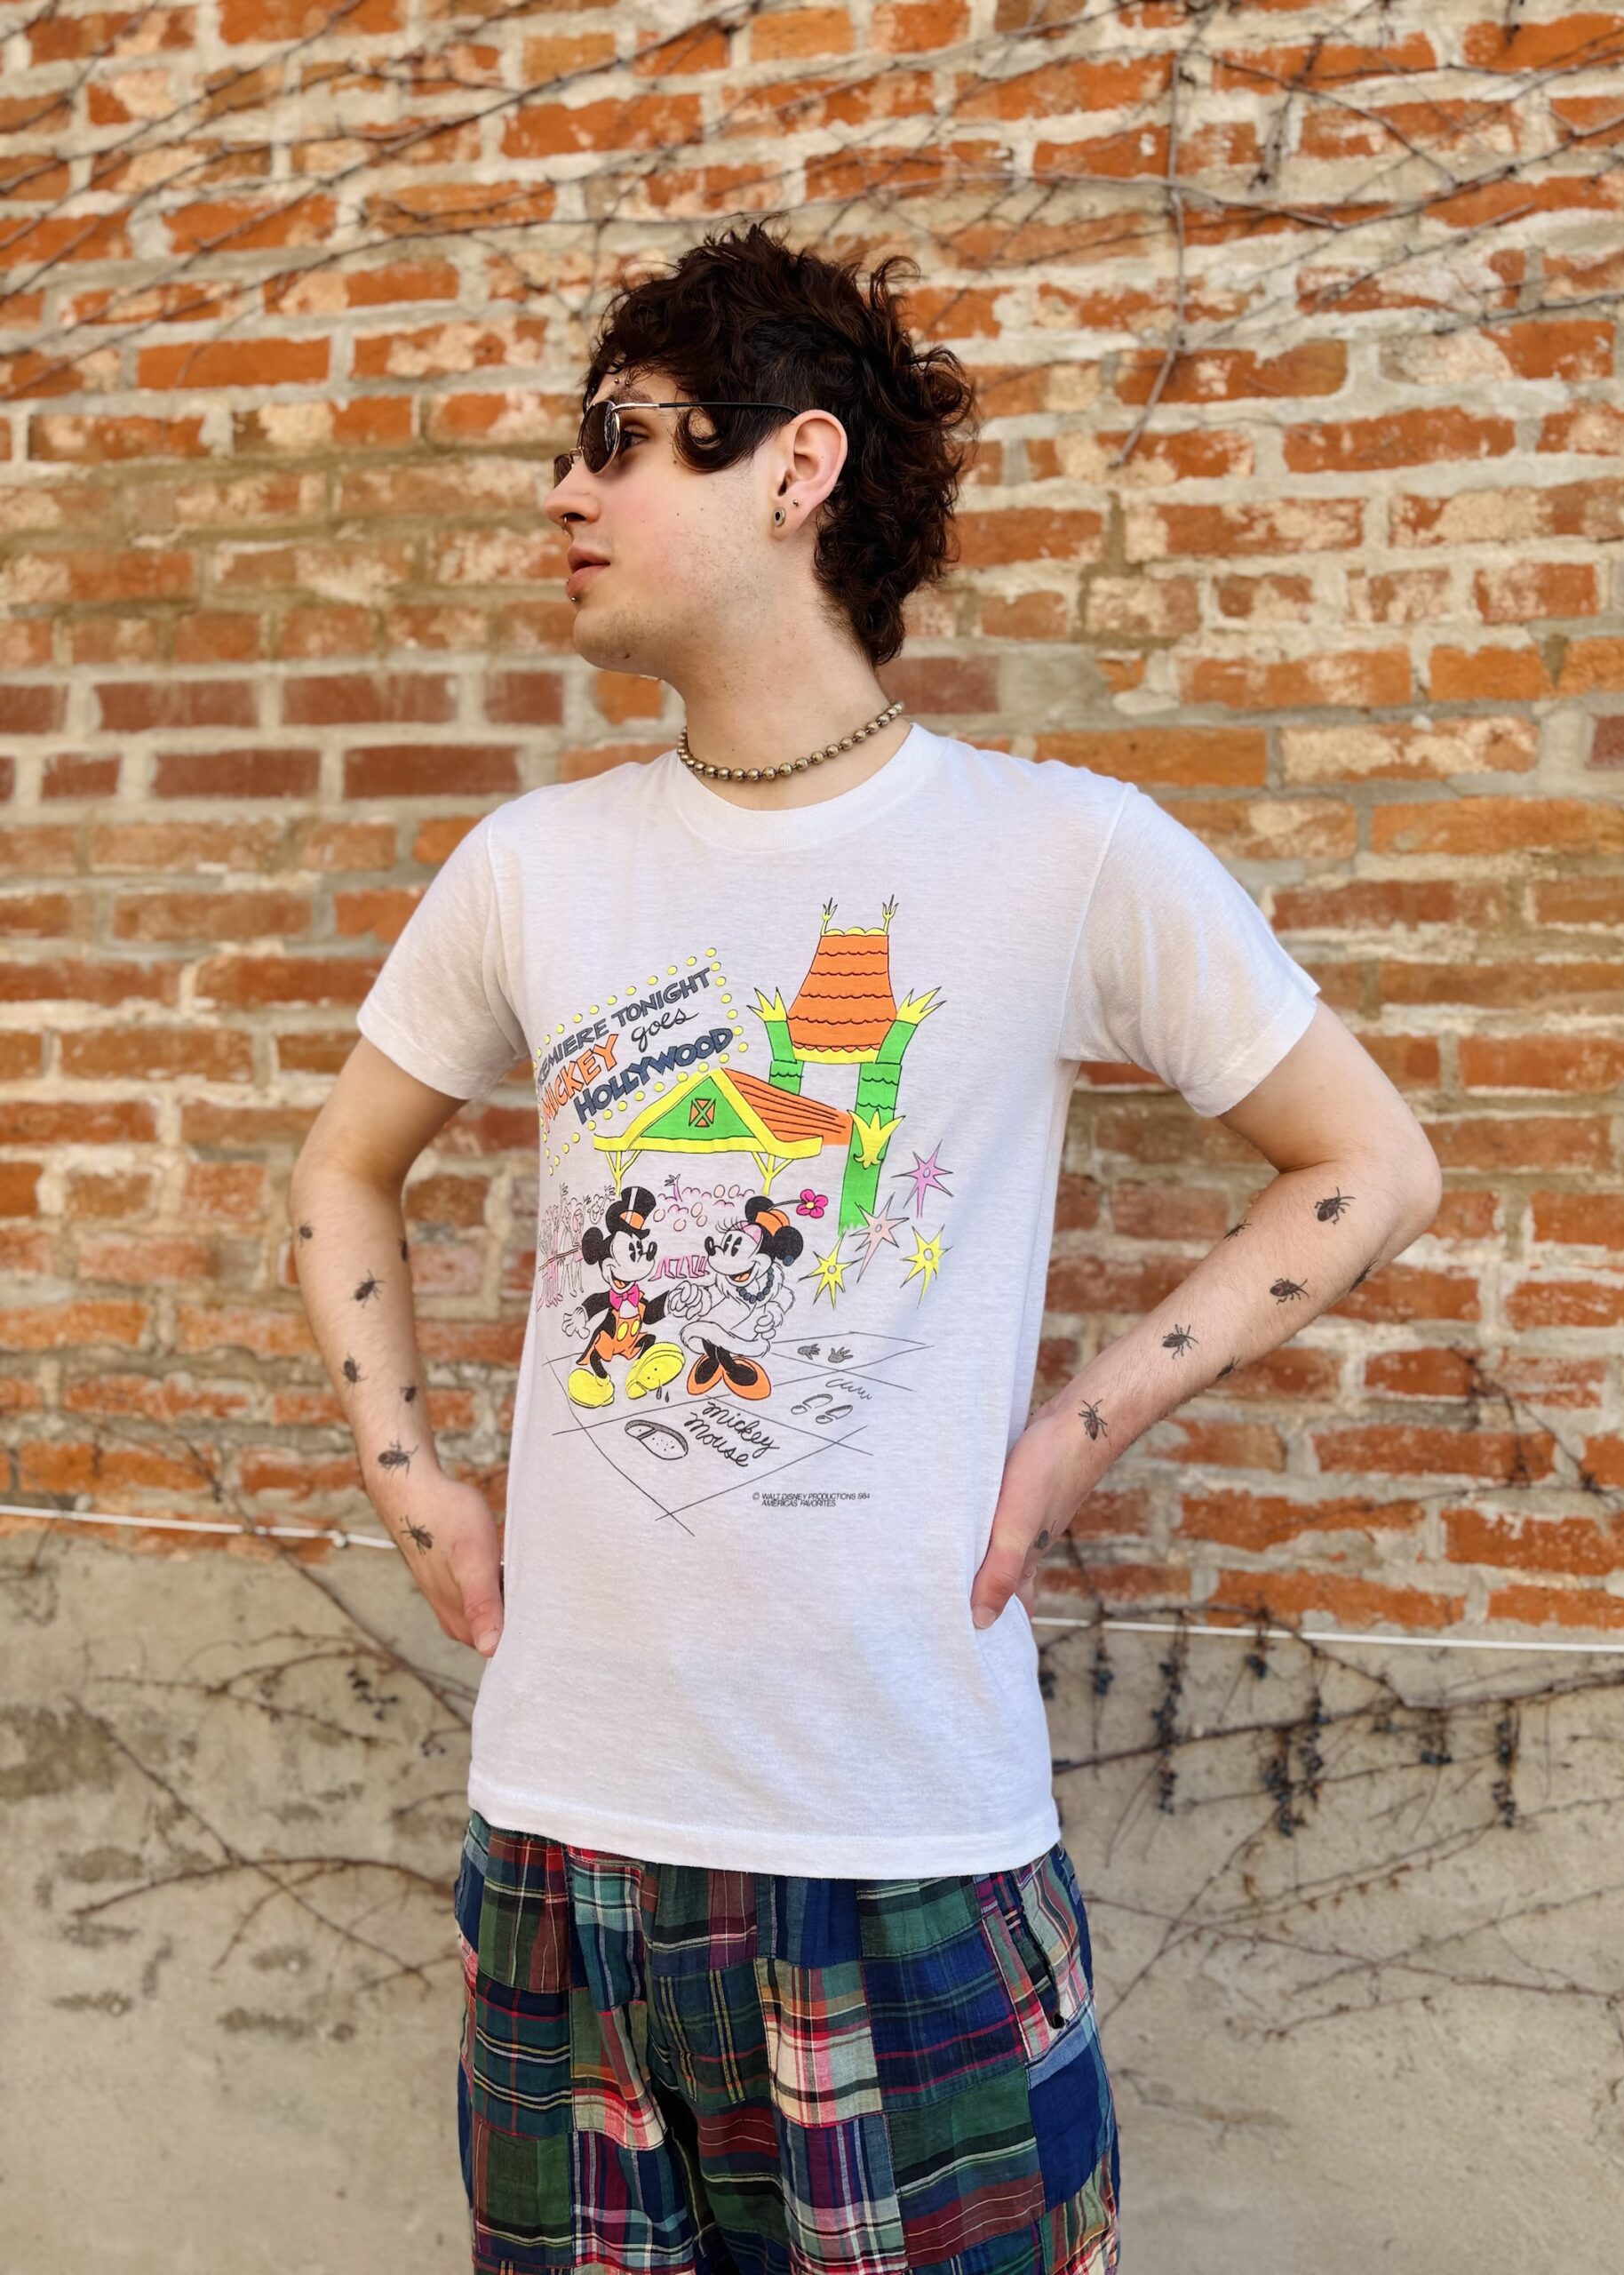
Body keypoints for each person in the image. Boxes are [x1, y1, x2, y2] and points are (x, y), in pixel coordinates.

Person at [288, 218, 1441, 2275]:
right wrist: (410, 1474)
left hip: (899, 1837)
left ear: (796, 467)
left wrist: (1080, 1427)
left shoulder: (1057, 852)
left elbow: (1364, 1163)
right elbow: (338, 1171)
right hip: (563, 1838)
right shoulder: (534, 868)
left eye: (622, 436)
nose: (564, 489)